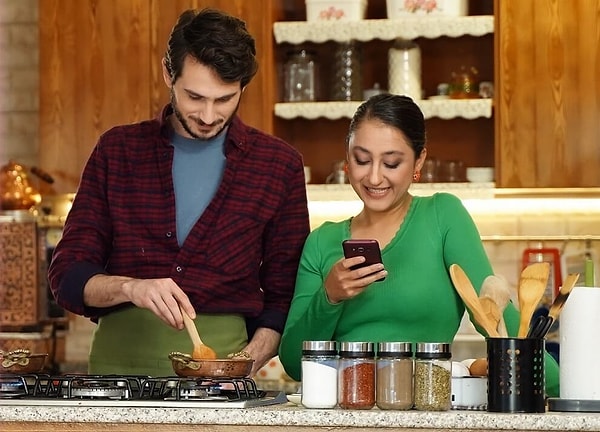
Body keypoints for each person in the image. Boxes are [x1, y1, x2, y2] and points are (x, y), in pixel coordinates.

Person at [48, 8, 310, 377]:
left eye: (224, 99)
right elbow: (67, 276)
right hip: (115, 374)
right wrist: (130, 288)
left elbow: (285, 296)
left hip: (223, 374)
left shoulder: (278, 166)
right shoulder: (117, 151)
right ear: (168, 74)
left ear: (243, 88)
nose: (207, 115)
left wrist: (243, 364)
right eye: (194, 97)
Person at [278, 93, 559, 397]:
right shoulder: (322, 241)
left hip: (426, 411)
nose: (374, 176)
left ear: (419, 161)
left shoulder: (443, 216)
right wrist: (329, 297)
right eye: (361, 160)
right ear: (347, 160)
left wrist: (551, 378)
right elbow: (294, 363)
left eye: (391, 163)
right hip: (346, 416)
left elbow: (492, 314)